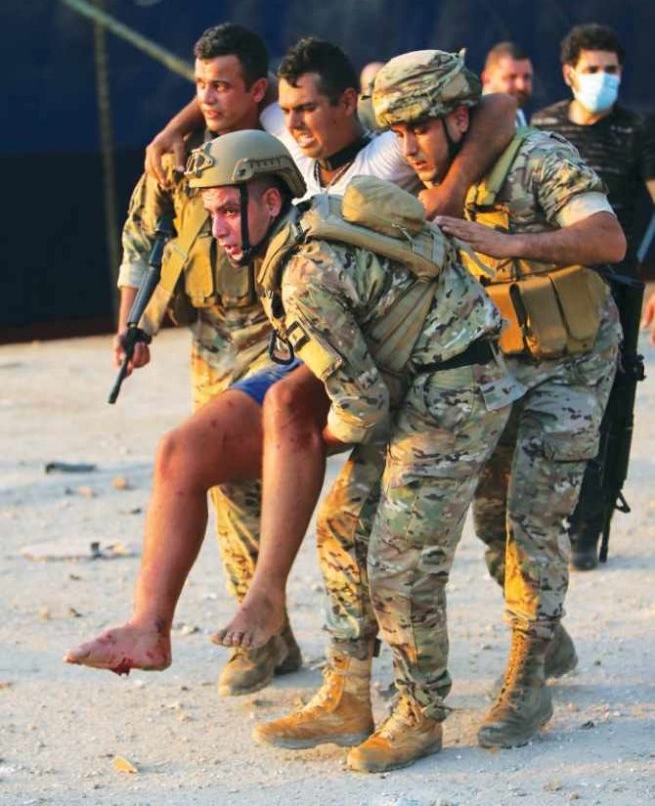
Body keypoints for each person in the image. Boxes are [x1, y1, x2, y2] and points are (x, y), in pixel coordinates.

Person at [65, 37, 517, 690]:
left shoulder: (378, 156)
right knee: (179, 453)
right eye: (289, 109)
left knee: (294, 424)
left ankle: (272, 601)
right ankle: (148, 626)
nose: (297, 122)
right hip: (301, 338)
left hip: (390, 347)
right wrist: (175, 126)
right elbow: (221, 99)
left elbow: (496, 106)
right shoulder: (277, 151)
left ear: (345, 105)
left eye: (309, 109)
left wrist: (446, 191)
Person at [190, 128, 522, 774]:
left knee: (399, 562)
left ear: (268, 201)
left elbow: (361, 407)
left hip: (457, 388)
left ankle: (420, 713)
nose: (221, 230)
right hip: (426, 380)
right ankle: (347, 695)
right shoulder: (307, 223)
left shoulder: (302, 272)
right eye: (212, 216)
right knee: (342, 525)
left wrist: (316, 441)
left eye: (229, 211)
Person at [372, 49, 624, 749]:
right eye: (397, 133)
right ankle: (547, 633)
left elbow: (607, 238)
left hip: (572, 358)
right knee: (488, 516)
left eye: (419, 129)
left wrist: (505, 241)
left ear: (456, 119)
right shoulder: (419, 164)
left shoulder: (539, 160)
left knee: (533, 517)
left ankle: (527, 676)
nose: (407, 147)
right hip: (496, 360)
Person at [66, 22, 304, 695]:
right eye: (198, 86)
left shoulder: (286, 146)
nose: (207, 98)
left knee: (273, 483)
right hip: (210, 336)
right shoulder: (174, 160)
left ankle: (275, 628)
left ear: (258, 89)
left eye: (222, 86)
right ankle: (268, 642)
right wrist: (129, 325)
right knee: (230, 493)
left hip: (276, 332)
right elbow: (142, 240)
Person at [531, 22, 655, 569]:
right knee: (545, 402)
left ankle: (590, 520)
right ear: (569, 74)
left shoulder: (638, 130)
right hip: (552, 287)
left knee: (611, 408)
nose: (604, 79)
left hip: (619, 286)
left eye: (613, 69)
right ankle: (545, 516)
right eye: (593, 69)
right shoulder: (545, 126)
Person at [481, 40, 534, 128]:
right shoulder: (471, 121)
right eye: (511, 77)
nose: (521, 86)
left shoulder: (517, 114)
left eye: (526, 77)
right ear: (486, 79)